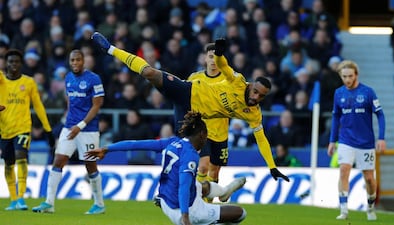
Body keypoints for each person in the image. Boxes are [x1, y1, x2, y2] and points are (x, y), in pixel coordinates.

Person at [91, 31, 289, 182]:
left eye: (261, 96)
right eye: (256, 92)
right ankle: (110, 49)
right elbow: (225, 66)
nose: (256, 97)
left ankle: (201, 199)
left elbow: (261, 139)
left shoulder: (254, 113)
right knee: (150, 73)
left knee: (204, 167)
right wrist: (219, 54)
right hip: (188, 92)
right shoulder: (237, 81)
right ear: (251, 85)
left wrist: (271, 166)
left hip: (193, 117)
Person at [85, 111, 247, 225]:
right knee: (240, 214)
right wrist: (185, 216)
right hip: (189, 211)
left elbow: (136, 144)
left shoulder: (172, 142)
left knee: (201, 187)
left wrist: (107, 148)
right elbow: (183, 185)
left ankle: (224, 192)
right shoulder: (190, 155)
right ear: (202, 135)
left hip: (165, 199)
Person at [32, 49, 106, 214]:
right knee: (58, 160)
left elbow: (97, 105)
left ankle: (99, 204)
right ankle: (49, 203)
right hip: (69, 127)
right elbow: (71, 103)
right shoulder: (68, 78)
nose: (75, 63)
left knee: (90, 165)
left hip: (88, 129)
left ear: (83, 61)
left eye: (78, 60)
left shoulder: (94, 79)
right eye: (72, 60)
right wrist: (68, 123)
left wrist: (80, 125)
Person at [327, 60, 386, 221]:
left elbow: (380, 115)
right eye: (344, 76)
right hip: (345, 140)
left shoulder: (368, 92)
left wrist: (381, 138)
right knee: (343, 170)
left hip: (366, 142)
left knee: (369, 178)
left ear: (356, 75)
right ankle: (344, 210)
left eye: (350, 76)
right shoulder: (338, 93)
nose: (347, 79)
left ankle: (370, 206)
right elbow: (335, 117)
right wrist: (332, 140)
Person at [0, 49, 55, 211]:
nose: (13, 64)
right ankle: (13, 199)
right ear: (6, 63)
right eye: (10, 61)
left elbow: (38, 106)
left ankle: (22, 198)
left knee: (21, 157)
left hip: (23, 128)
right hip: (4, 130)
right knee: (9, 164)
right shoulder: (1, 80)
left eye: (16, 61)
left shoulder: (29, 82)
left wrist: (48, 129)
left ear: (21, 63)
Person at [187, 43, 229, 189]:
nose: (213, 61)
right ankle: (197, 199)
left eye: (216, 57)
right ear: (205, 58)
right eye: (210, 57)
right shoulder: (194, 78)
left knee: (214, 172)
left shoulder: (228, 79)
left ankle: (207, 203)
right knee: (203, 166)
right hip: (201, 131)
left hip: (221, 132)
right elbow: (185, 98)